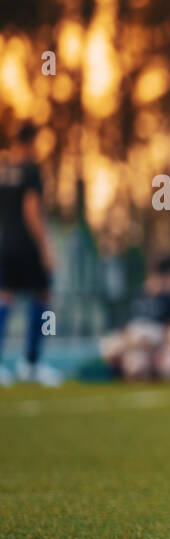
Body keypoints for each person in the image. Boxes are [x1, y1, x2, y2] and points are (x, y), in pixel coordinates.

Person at [0, 123, 60, 386]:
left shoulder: (4, 170)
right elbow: (31, 210)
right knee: (43, 296)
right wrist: (46, 247)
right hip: (27, 245)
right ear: (32, 142)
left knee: (5, 298)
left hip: (5, 244)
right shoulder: (31, 170)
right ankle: (32, 363)